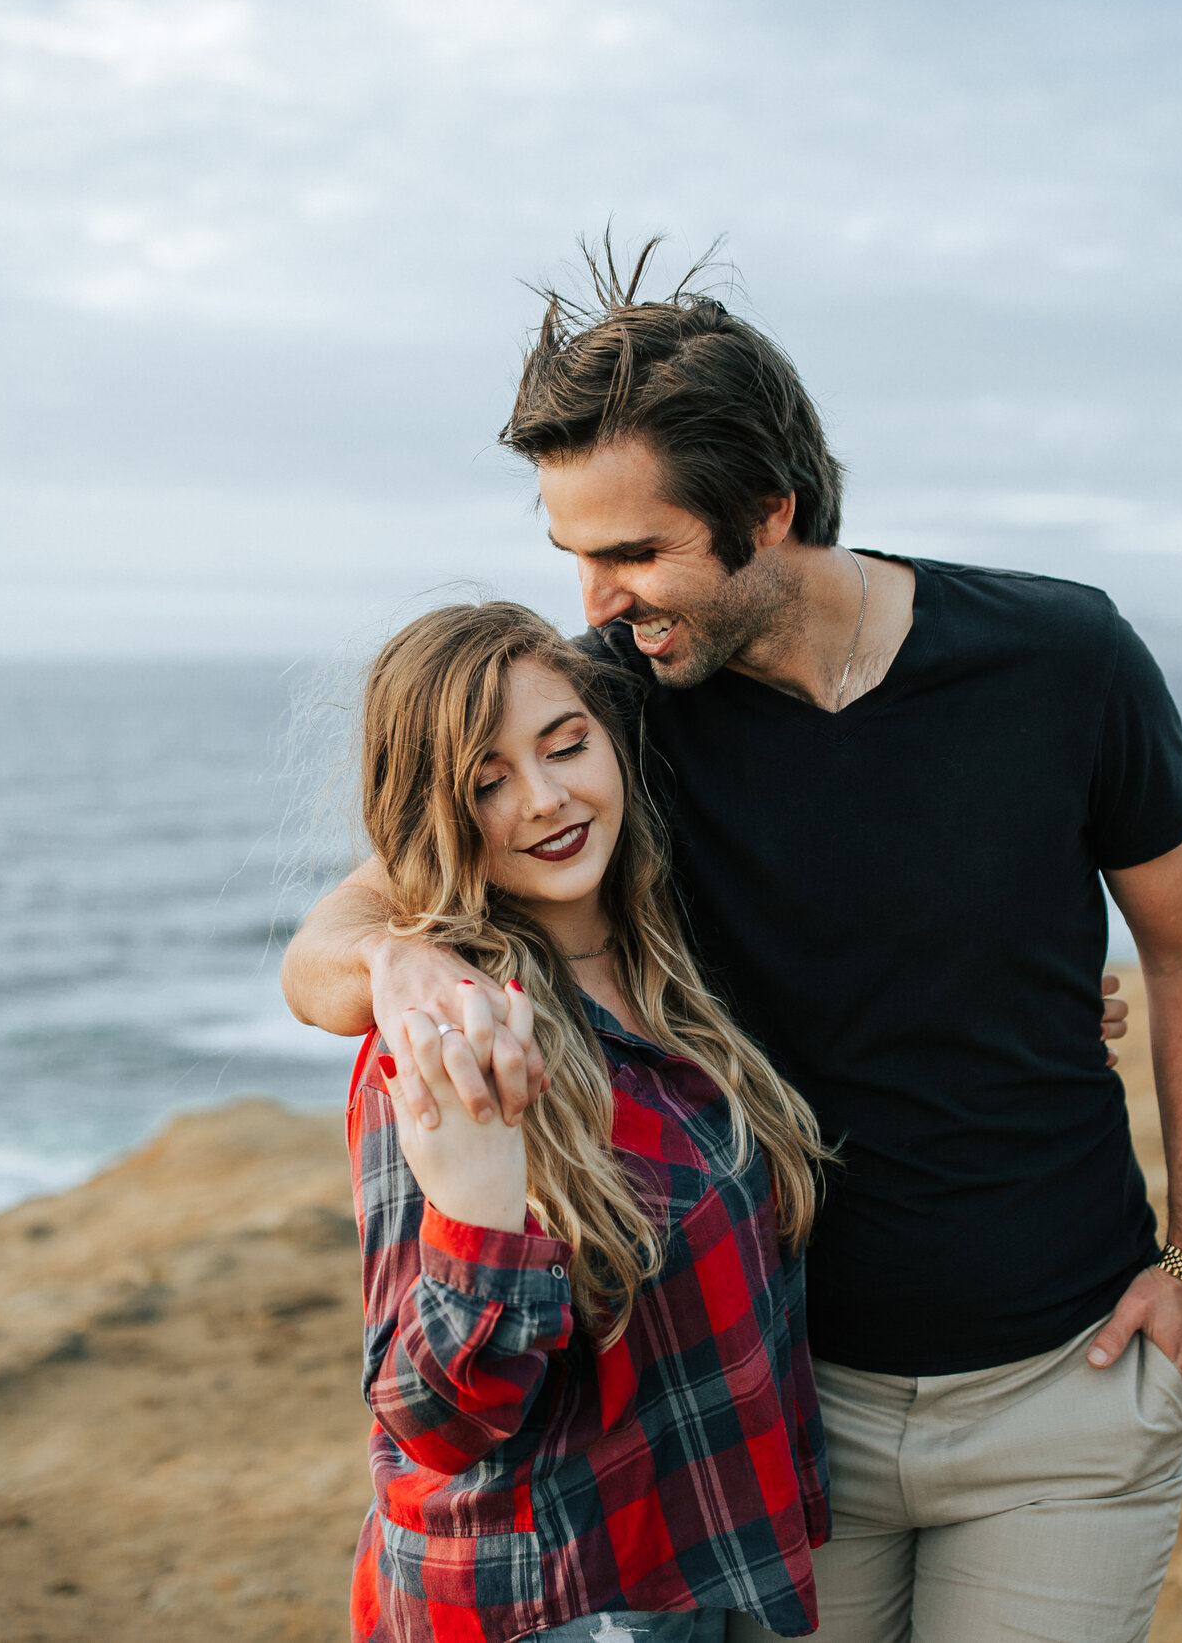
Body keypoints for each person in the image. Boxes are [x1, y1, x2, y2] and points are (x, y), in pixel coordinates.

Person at [286, 241, 1182, 1643]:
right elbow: (344, 929)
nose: (600, 597)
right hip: (787, 1421)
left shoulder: (1064, 657)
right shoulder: (612, 710)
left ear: (769, 508)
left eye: (633, 551)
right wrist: (402, 964)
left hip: (1067, 1382)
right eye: (575, 556)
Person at [339, 600, 838, 1643]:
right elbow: (429, 1416)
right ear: (434, 811)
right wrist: (479, 1213)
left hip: (693, 1568)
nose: (544, 798)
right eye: (486, 781)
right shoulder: (447, 1036)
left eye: (565, 745)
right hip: (552, 1602)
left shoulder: (675, 970)